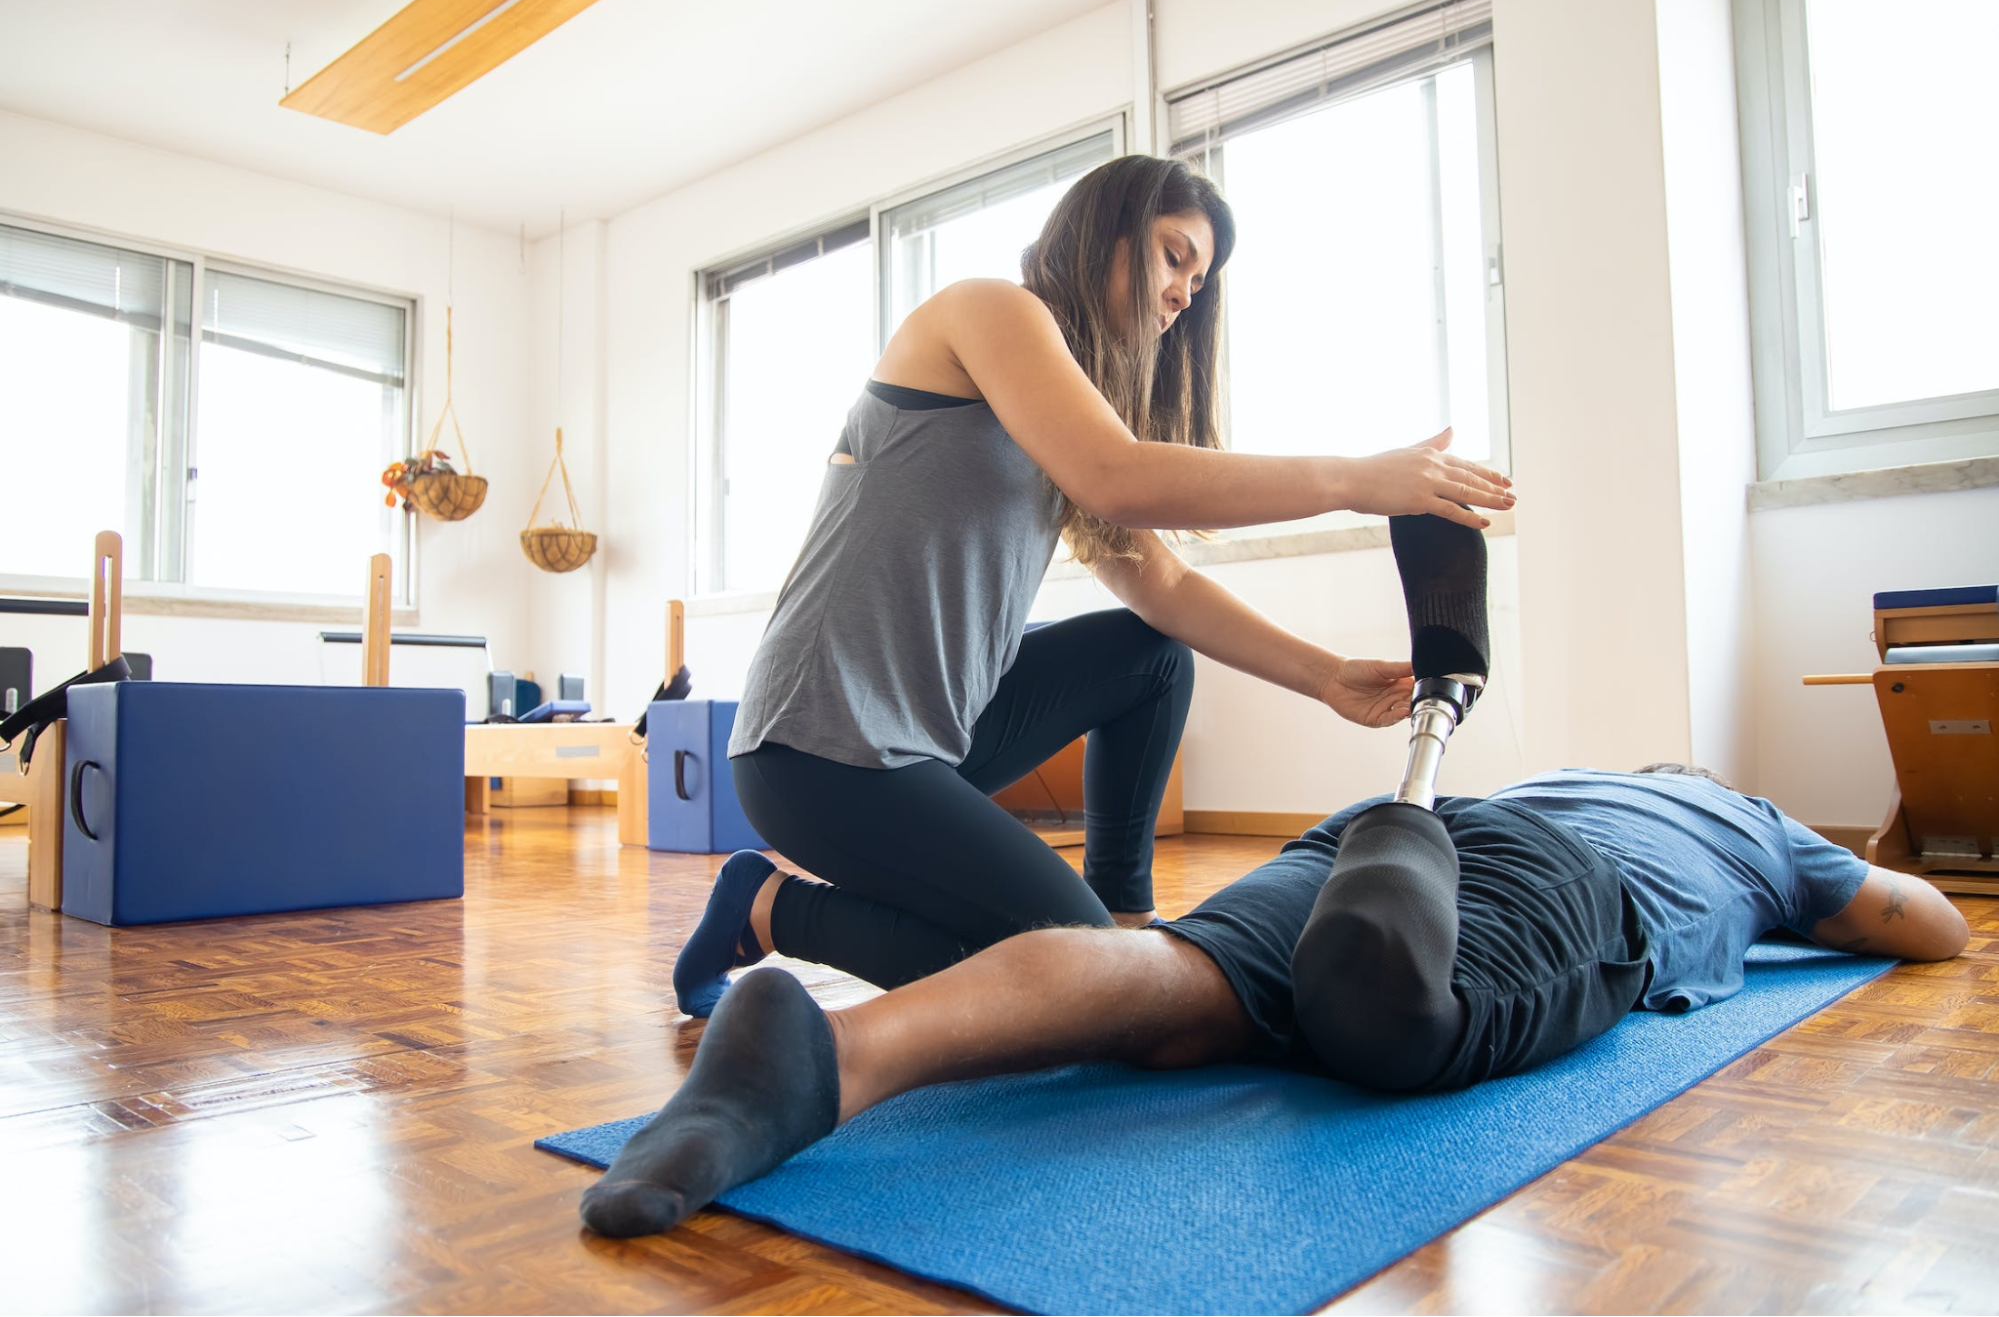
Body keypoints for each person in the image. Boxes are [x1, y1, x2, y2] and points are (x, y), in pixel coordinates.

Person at [671, 154, 1516, 1019]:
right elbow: (1117, 475)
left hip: (934, 738)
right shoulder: (988, 310)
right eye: (1174, 253)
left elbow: (1162, 583)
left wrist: (1326, 677)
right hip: (815, 747)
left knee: (1150, 654)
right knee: (1084, 988)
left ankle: (1123, 914)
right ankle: (772, 907)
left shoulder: (1058, 407)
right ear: (1104, 231)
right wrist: (1352, 480)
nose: (1186, 290)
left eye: (1201, 276)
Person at [583, 761, 1968, 1238]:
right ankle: (1379, 953)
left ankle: (835, 1053)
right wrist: (1804, 864)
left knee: (1170, 977)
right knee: (1404, 1026)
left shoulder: (1567, 773)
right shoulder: (1749, 823)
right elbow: (1928, 927)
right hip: (1568, 887)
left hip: (1411, 815)